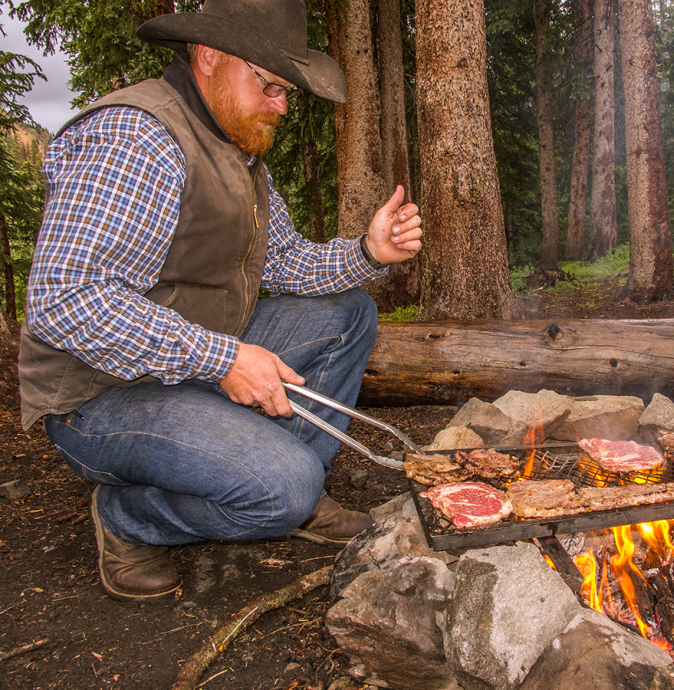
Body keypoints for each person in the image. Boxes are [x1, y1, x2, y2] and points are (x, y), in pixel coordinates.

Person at [18, 0, 422, 603]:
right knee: (281, 489)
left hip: (188, 358)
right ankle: (129, 517)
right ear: (209, 57)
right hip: (99, 397)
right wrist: (223, 360)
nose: (282, 106)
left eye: (286, 91)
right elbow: (65, 299)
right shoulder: (137, 136)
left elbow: (283, 261)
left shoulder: (236, 148)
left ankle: (300, 489)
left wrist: (367, 251)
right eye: (270, 86)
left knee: (349, 313)